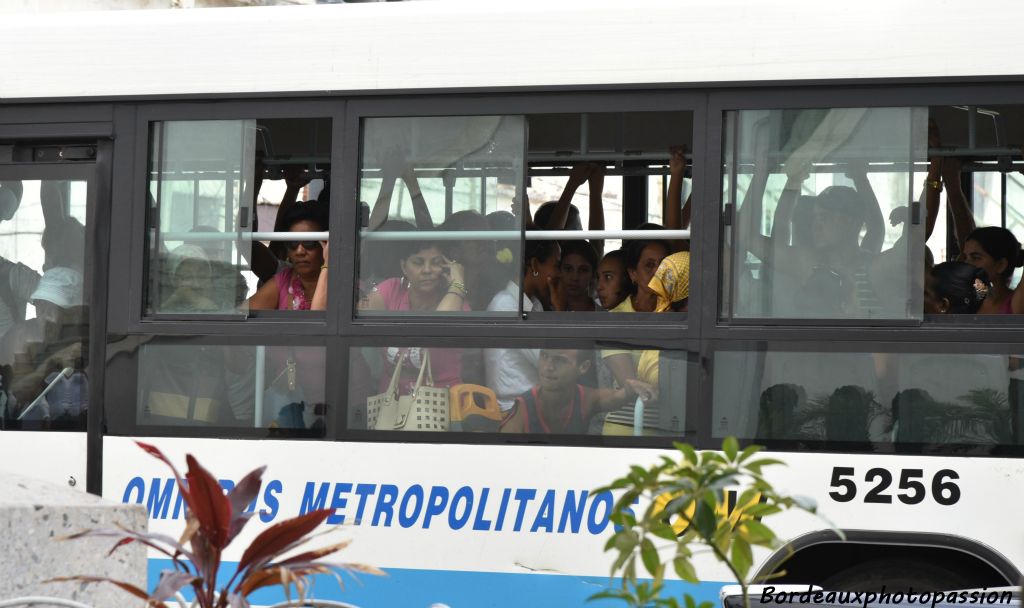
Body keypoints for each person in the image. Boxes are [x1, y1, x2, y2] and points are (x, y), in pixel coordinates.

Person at [485, 239, 564, 411]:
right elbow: (550, 362)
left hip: (533, 405)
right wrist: (559, 309)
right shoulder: (506, 305)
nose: (559, 274)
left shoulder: (534, 304)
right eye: (556, 265)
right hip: (513, 410)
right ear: (535, 265)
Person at [0, 267, 87, 423]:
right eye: (40, 304)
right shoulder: (22, 335)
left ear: (74, 313)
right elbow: (20, 392)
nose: (44, 313)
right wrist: (53, 361)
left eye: (54, 306)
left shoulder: (87, 338)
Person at [499, 348, 656, 434]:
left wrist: (631, 387)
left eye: (559, 360)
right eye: (544, 356)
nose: (548, 367)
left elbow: (618, 396)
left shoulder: (584, 398)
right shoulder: (522, 411)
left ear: (584, 367)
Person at [248, 202, 329, 311]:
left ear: (326, 244)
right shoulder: (283, 281)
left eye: (309, 242)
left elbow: (320, 324)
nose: (300, 251)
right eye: (293, 243)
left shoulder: (345, 284)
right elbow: (238, 317)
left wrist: (327, 266)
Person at [960, 227, 1024, 314]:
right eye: (966, 257)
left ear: (1000, 265)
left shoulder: (1015, 304)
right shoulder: (965, 301)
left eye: (976, 258)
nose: (967, 263)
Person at [161, 245, 218, 313]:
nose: (197, 284)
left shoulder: (228, 305)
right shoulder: (165, 312)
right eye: (187, 277)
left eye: (202, 276)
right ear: (174, 281)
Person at [560, 240, 600, 312]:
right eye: (568, 269)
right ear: (559, 271)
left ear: (593, 275)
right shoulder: (545, 312)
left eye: (583, 270)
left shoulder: (604, 316)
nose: (575, 277)